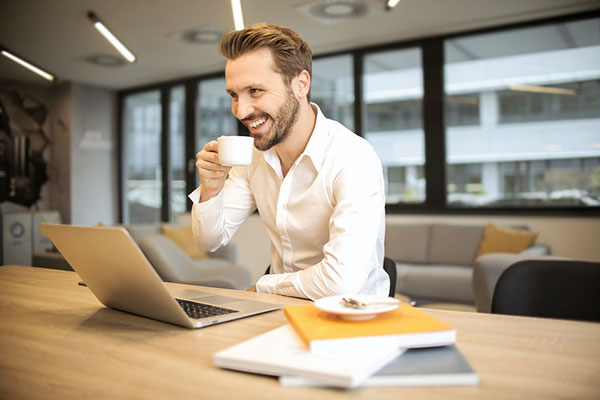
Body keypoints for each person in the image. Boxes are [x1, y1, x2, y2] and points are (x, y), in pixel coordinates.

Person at [189, 23, 388, 300]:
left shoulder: (353, 158)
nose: (241, 111)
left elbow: (341, 282)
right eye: (234, 95)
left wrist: (263, 285)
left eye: (255, 91)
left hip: (350, 317)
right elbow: (209, 240)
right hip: (279, 311)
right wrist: (211, 187)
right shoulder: (254, 158)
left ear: (300, 84)